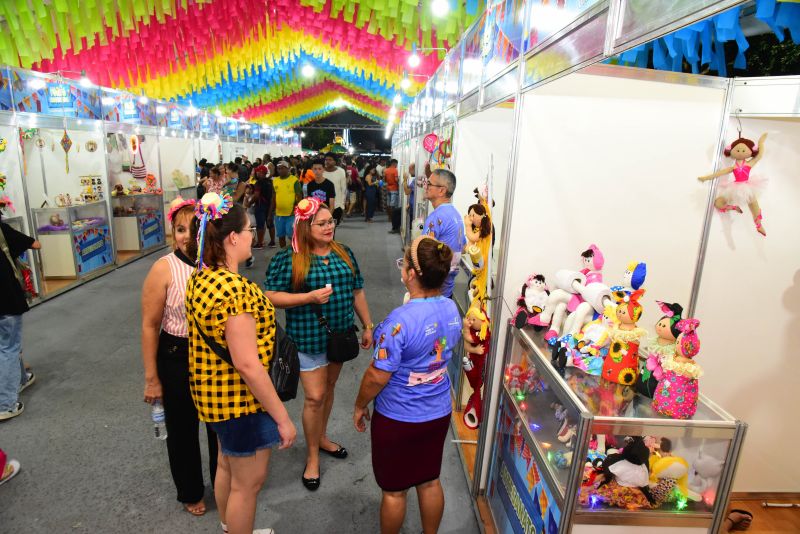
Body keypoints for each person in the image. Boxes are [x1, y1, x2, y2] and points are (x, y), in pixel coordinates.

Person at [187, 193, 296, 534]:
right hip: (241, 402)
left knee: (226, 466)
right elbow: (248, 364)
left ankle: (229, 525)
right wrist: (283, 418)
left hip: (213, 397)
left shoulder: (200, 278)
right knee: (246, 485)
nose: (252, 234)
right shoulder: (235, 291)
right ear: (233, 237)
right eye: (249, 229)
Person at [354, 235, 461, 534]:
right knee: (429, 480)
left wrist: (360, 404)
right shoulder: (452, 310)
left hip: (399, 418)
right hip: (438, 412)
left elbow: (377, 375)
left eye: (404, 264)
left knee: (394, 490)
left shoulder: (398, 322)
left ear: (412, 274)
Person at [264, 198, 374, 491]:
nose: (329, 227)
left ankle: (321, 437)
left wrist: (367, 325)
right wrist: (308, 297)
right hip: (307, 337)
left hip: (339, 337)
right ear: (305, 226)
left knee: (328, 390)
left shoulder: (344, 253)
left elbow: (357, 291)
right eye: (322, 223)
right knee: (314, 396)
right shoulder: (289, 259)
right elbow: (271, 296)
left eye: (331, 222)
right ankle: (312, 456)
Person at [141, 197, 218, 516]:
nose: (186, 235)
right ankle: (190, 490)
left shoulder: (217, 262)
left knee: (219, 426)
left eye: (193, 228)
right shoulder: (163, 268)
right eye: (179, 229)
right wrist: (151, 379)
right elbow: (149, 325)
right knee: (183, 430)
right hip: (177, 355)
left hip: (215, 355)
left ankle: (224, 482)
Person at [0, 209, 40, 421]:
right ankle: (6, 403)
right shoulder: (2, 230)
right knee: (8, 346)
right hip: (5, 298)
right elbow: (35, 244)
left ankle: (21, 379)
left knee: (8, 343)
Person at [424, 169, 466, 298]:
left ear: (442, 190)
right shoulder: (456, 215)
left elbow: (422, 255)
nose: (425, 186)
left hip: (433, 292)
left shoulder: (436, 218)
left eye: (429, 184)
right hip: (446, 290)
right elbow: (463, 247)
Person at [272, 160, 302, 249]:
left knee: (291, 235)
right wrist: (271, 211)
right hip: (278, 214)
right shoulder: (275, 180)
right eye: (278, 168)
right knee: (281, 236)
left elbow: (299, 196)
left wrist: (296, 210)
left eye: (283, 168)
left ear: (288, 169)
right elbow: (273, 196)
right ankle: (283, 253)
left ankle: (294, 252)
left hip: (291, 214)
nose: (280, 170)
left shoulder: (294, 180)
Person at [252, 165, 276, 249]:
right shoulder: (270, 182)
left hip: (260, 205)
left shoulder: (258, 183)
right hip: (270, 205)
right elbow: (273, 194)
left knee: (260, 225)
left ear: (261, 172)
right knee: (270, 223)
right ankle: (272, 242)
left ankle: (260, 243)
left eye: (257, 172)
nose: (256, 173)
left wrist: (249, 202)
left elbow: (256, 196)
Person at [323, 153, 347, 226]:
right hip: (323, 205)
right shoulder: (321, 171)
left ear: (335, 161)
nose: (327, 161)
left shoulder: (341, 171)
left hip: (337, 205)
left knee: (333, 227)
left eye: (330, 160)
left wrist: (342, 205)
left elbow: (344, 189)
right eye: (326, 160)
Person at [384, 159, 400, 234]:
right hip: (394, 189)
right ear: (394, 163)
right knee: (393, 206)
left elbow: (384, 180)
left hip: (388, 188)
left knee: (389, 204)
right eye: (396, 164)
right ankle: (393, 219)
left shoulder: (386, 170)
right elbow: (396, 180)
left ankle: (389, 217)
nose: (397, 165)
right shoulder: (395, 170)